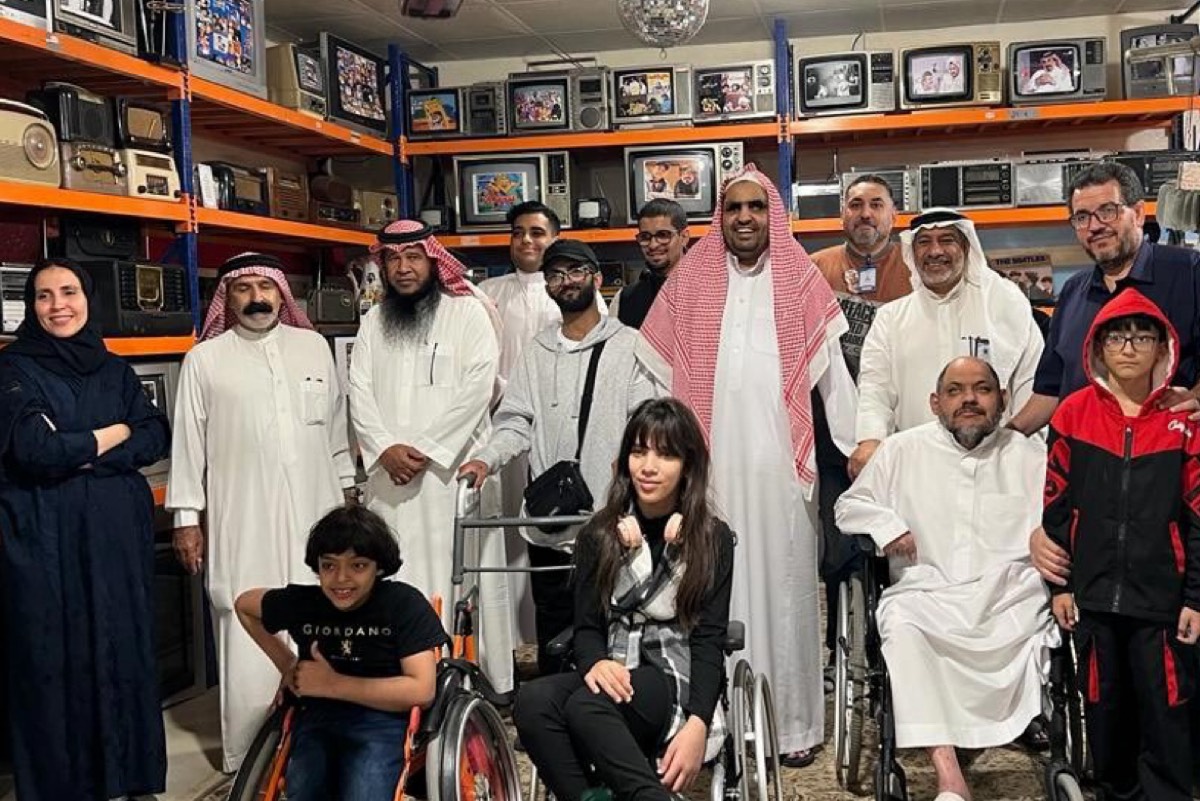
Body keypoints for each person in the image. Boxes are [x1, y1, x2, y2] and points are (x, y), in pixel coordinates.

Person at [638, 163, 857, 767]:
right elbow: (654, 376)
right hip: (708, 472)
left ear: (772, 217)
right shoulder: (689, 281)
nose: (744, 218)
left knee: (785, 594)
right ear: (720, 217)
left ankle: (792, 726)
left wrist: (857, 447)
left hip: (780, 473)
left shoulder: (800, 279)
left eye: (756, 207)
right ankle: (710, 727)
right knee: (706, 595)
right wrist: (652, 457)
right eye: (733, 207)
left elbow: (833, 379)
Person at [168, 252, 356, 771]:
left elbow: (336, 431)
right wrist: (186, 519)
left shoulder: (313, 347)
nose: (256, 298)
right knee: (246, 617)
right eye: (243, 288)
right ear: (227, 298)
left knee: (325, 614)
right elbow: (188, 448)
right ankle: (251, 753)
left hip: (317, 512)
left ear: (281, 293)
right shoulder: (205, 360)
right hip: (242, 517)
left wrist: (347, 498)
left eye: (265, 287)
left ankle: (324, 741)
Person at [836, 356, 1055, 801]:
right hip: (926, 593)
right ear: (935, 402)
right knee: (901, 624)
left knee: (1036, 620)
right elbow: (849, 506)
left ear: (1003, 400)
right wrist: (886, 525)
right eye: (955, 391)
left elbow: (1063, 516)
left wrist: (1047, 534)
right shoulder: (902, 450)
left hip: (1008, 596)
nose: (968, 399)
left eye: (981, 389)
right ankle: (949, 776)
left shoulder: (1032, 456)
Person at [0, 258, 170, 801]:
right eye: (44, 295)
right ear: (31, 306)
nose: (58, 306)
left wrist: (88, 450)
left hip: (115, 537)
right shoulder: (13, 370)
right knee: (54, 658)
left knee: (123, 647)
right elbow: (37, 450)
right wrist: (115, 433)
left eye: (69, 292)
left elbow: (155, 434)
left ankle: (128, 777)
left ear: (87, 299)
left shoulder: (113, 369)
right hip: (46, 539)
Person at [514, 398, 735, 801]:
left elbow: (708, 639)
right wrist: (596, 661)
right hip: (615, 664)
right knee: (533, 701)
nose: (648, 467)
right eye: (638, 452)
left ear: (688, 466)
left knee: (586, 706)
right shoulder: (599, 534)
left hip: (672, 671)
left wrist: (698, 724)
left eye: (665, 454)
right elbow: (587, 626)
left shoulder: (710, 538)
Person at [460, 239, 660, 674]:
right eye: (555, 275)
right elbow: (515, 420)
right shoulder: (537, 350)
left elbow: (646, 423)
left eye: (575, 271)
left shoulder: (630, 345)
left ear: (597, 278)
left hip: (612, 521)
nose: (565, 281)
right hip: (549, 524)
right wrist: (486, 459)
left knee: (612, 630)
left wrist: (628, 468)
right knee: (554, 633)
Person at [1043, 290, 1200, 800]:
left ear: (1162, 347)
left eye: (1142, 337)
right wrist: (1061, 587)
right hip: (1093, 600)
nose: (1128, 347)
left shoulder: (1185, 423)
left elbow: (1198, 517)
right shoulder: (1073, 414)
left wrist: (1195, 598)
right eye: (1116, 337)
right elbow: (1056, 505)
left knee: (1166, 713)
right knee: (1105, 712)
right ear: (1097, 346)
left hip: (1162, 604)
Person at [349, 220, 515, 693]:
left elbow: (478, 388)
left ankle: (472, 684)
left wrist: (423, 451)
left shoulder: (468, 313)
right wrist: (384, 448)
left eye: (413, 257)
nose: (403, 268)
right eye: (393, 259)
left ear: (432, 261)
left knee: (460, 575)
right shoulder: (373, 322)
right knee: (396, 573)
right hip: (390, 481)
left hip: (450, 476)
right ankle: (403, 680)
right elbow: (358, 390)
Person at [234, 505, 447, 801]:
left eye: (358, 565)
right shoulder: (305, 602)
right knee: (305, 789)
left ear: (378, 567)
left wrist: (331, 684)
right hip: (319, 716)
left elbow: (422, 690)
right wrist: (288, 665)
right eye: (329, 566)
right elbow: (244, 605)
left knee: (363, 792)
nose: (341, 578)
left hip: (383, 718)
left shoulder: (402, 604)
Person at [1011, 162, 1200, 439]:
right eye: (1082, 217)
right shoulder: (1073, 292)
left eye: (1107, 211)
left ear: (1138, 213)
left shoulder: (1190, 272)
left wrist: (1196, 396)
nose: (1095, 226)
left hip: (1162, 455)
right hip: (1082, 457)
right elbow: (1050, 391)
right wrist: (1005, 438)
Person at [851, 209, 1044, 477]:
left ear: (966, 246)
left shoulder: (1005, 304)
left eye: (947, 240)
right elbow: (875, 389)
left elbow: (1031, 384)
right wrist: (870, 440)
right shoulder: (890, 318)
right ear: (912, 252)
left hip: (996, 465)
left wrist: (1022, 450)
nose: (935, 251)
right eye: (924, 242)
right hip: (916, 468)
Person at [812, 174, 912, 375]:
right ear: (843, 214)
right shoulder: (814, 268)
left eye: (876, 205)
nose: (865, 214)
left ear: (893, 215)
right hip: (834, 389)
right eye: (856, 205)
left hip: (899, 386)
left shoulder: (915, 267)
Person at [610, 198, 688, 329]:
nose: (653, 245)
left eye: (663, 235)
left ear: (684, 237)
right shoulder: (624, 299)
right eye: (645, 237)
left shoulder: (711, 291)